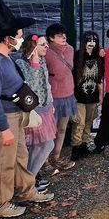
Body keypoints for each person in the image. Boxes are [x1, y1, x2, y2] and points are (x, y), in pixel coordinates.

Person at [0, 0, 54, 218]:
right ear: (7, 38)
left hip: (15, 115)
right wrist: (4, 128)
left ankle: (26, 191)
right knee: (2, 163)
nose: (21, 40)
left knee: (19, 157)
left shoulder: (6, 58)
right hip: (4, 120)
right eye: (18, 36)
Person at [15, 34, 57, 193]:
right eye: (42, 44)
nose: (46, 46)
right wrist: (33, 63)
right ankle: (28, 182)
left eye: (46, 44)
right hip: (33, 111)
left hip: (45, 109)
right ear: (32, 47)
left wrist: (51, 102)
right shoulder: (21, 64)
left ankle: (30, 179)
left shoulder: (42, 61)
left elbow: (46, 84)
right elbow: (29, 86)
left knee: (39, 146)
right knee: (45, 144)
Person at [45, 23, 76, 171]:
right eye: (59, 35)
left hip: (68, 94)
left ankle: (57, 156)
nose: (63, 37)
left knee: (62, 128)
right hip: (53, 97)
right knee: (49, 129)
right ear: (51, 38)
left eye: (64, 34)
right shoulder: (46, 52)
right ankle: (44, 160)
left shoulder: (70, 50)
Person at [71, 31, 104, 161]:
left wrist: (101, 94)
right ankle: (76, 147)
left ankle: (84, 144)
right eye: (88, 40)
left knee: (89, 121)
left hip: (93, 94)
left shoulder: (98, 57)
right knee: (79, 122)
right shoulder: (78, 55)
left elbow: (100, 78)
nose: (91, 43)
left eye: (94, 40)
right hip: (79, 95)